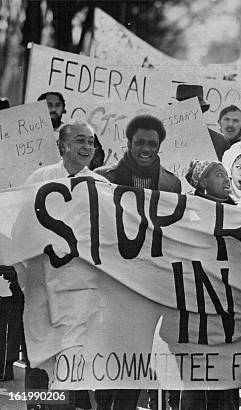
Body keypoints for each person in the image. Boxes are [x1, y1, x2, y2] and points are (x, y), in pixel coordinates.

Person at [95, 114, 181, 410]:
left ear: (160, 146)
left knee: (137, 357)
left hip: (149, 284)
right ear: (128, 143)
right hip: (111, 281)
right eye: (140, 142)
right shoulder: (102, 178)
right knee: (108, 354)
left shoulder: (171, 184)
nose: (146, 148)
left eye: (152, 144)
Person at [23, 119, 108, 410]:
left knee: (78, 355)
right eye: (80, 140)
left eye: (91, 142)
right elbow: (23, 228)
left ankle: (76, 406)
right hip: (43, 283)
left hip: (81, 287)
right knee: (41, 351)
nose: (87, 147)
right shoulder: (39, 178)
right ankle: (36, 406)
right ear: (62, 145)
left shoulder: (101, 186)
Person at [178, 160, 238, 410]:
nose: (227, 179)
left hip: (227, 304)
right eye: (219, 174)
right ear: (203, 182)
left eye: (227, 174)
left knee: (226, 374)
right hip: (195, 301)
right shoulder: (185, 211)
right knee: (195, 374)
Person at [176, 84, 230, 160]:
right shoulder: (164, 138)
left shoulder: (219, 141)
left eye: (193, 111)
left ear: (201, 111)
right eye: (183, 109)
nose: (187, 115)